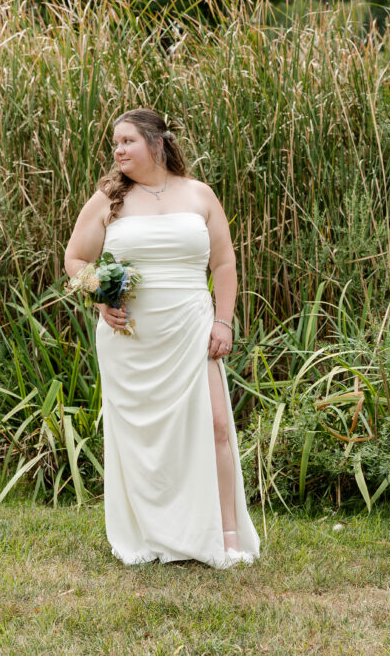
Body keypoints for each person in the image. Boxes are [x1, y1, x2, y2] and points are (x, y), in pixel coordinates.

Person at [63, 108, 260, 569]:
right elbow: (74, 258)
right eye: (115, 143)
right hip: (132, 337)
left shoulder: (199, 195)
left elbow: (224, 264)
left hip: (191, 325)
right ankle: (156, 532)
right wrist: (100, 300)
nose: (118, 150)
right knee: (144, 438)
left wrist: (224, 322)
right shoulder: (109, 199)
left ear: (156, 144)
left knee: (214, 425)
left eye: (127, 141)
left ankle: (226, 536)